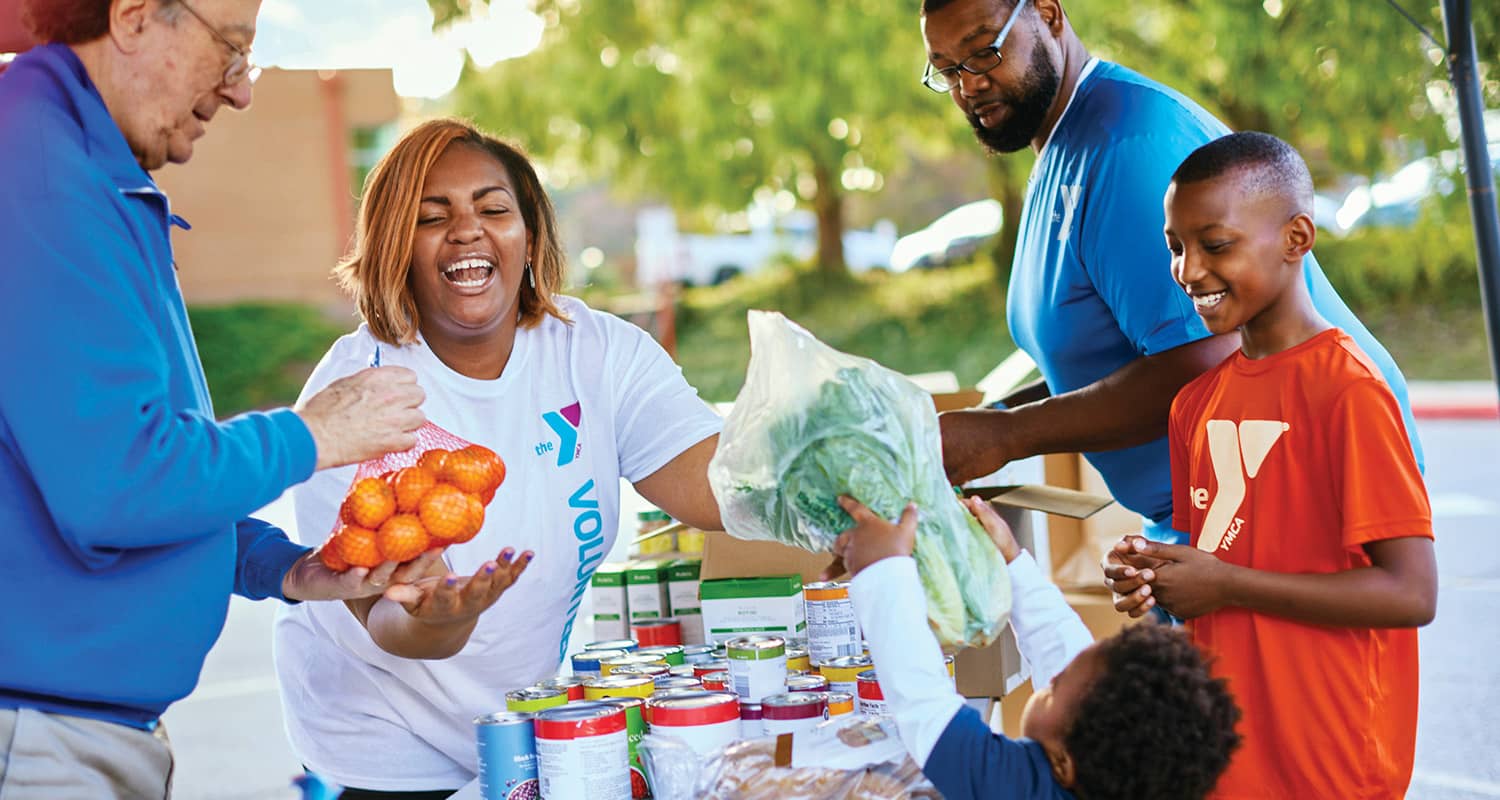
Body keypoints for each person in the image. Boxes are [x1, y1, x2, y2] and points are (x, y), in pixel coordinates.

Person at [0, 1, 435, 796]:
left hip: (77, 731)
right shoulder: (32, 162)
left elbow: (147, 464)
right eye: (231, 51)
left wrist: (293, 569)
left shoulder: (86, 171)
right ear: (135, 18)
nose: (238, 92)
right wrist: (312, 434)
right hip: (36, 739)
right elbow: (118, 485)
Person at [272, 118, 725, 798]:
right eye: (433, 217)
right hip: (384, 753)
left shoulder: (594, 352)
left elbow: (715, 483)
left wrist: (855, 456)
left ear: (531, 238)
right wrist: (440, 618)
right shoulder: (360, 395)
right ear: (396, 248)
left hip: (525, 727)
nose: (467, 230)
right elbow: (385, 618)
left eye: (493, 209)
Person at [917, 0, 1423, 552]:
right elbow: (1101, 361)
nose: (968, 85)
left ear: (1047, 13)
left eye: (984, 51)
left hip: (1279, 516)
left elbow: (1208, 356)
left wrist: (1008, 435)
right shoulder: (1063, 145)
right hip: (1202, 526)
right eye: (946, 69)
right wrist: (991, 420)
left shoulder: (1128, 144)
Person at [1109, 132, 1436, 798]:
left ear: (1297, 239)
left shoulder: (1347, 391)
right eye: (1175, 247)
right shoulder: (1195, 405)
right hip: (1228, 757)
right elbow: (1220, 566)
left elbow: (1411, 592)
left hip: (1330, 764)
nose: (1189, 271)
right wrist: (1155, 578)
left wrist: (1227, 584)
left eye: (1216, 244)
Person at [830, 494, 1241, 800]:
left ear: (1063, 763)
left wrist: (883, 569)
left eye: (1053, 687)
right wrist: (1010, 561)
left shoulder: (1024, 790)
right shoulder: (1099, 774)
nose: (1052, 677)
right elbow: (1064, 651)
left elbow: (923, 703)